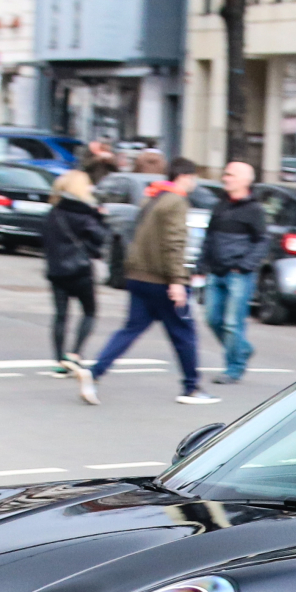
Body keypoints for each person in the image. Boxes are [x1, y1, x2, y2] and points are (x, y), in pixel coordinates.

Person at [79, 156, 216, 406]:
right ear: (184, 177)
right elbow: (174, 244)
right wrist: (176, 281)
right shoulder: (176, 202)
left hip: (139, 276)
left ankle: (96, 371)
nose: (194, 183)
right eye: (193, 178)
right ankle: (192, 387)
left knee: (130, 329)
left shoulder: (153, 198)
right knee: (184, 333)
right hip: (162, 279)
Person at [198, 159, 271, 384]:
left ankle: (234, 368)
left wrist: (245, 265)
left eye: (230, 175)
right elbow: (209, 238)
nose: (225, 178)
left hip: (238, 274)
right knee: (212, 319)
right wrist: (202, 265)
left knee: (232, 323)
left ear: (244, 181)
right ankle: (243, 349)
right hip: (216, 272)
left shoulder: (254, 210)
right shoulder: (220, 206)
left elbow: (262, 242)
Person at [41, 168, 109, 375]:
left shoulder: (53, 212)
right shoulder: (86, 214)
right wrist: (101, 218)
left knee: (60, 316)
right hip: (80, 271)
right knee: (89, 311)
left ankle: (59, 359)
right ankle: (75, 354)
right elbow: (100, 238)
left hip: (56, 271)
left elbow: (43, 240)